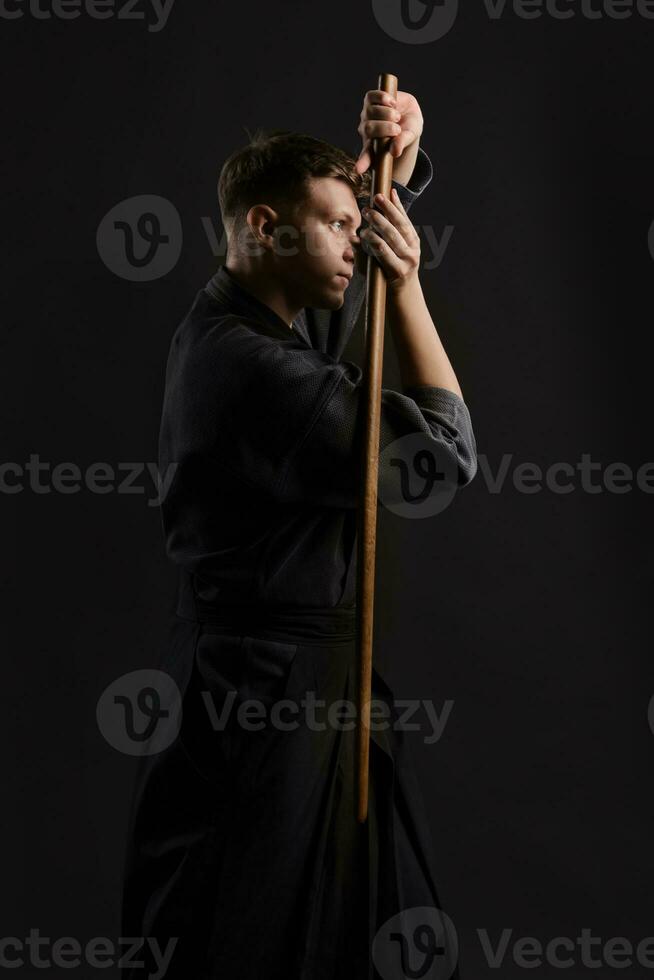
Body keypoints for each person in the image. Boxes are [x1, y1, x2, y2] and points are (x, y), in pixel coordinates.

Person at [120, 87, 477, 980]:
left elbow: (332, 302)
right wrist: (410, 288)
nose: (359, 245)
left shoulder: (235, 315)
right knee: (250, 942)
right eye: (340, 226)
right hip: (264, 708)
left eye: (363, 224)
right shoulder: (256, 371)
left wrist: (397, 160)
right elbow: (446, 458)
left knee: (310, 934)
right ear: (264, 228)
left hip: (263, 688)